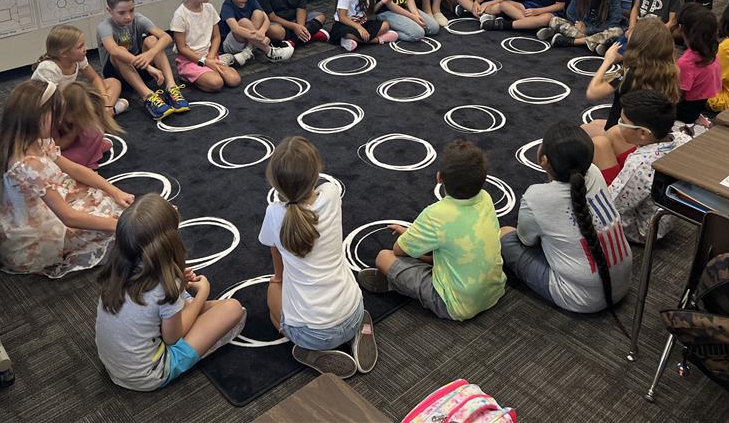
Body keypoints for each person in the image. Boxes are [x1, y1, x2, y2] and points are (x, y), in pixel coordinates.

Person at [95, 194, 246, 391]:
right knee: (234, 309)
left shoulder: (116, 269)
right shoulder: (164, 286)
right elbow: (173, 338)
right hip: (148, 374)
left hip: (115, 362)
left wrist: (180, 288)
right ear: (170, 241)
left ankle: (192, 308)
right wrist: (202, 294)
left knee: (194, 306)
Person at [0, 80, 129, 278]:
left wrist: (114, 190)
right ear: (41, 117)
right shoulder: (30, 164)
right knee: (117, 230)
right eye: (56, 116)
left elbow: (73, 168)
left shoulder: (27, 141)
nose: (59, 122)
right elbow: (68, 217)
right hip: (29, 241)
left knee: (99, 194)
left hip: (21, 218)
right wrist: (121, 225)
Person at [260, 137, 377, 377]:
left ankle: (309, 351)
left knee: (272, 290)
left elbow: (274, 251)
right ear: (316, 174)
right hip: (354, 310)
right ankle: (357, 333)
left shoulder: (274, 214)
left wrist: (279, 279)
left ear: (275, 182)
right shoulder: (332, 194)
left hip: (311, 334)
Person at [356, 140, 505, 321]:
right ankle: (400, 279)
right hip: (495, 291)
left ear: (439, 177)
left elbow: (398, 250)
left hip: (455, 305)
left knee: (384, 258)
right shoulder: (486, 198)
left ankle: (396, 284)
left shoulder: (435, 214)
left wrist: (410, 238)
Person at [499, 122, 631, 318]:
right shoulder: (594, 171)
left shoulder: (536, 197)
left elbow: (526, 241)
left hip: (582, 299)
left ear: (543, 160)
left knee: (505, 235)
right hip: (622, 282)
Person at [591, 89, 691, 243]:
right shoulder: (682, 138)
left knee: (598, 144)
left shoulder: (638, 166)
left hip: (643, 229)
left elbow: (611, 207)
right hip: (665, 211)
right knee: (611, 134)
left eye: (623, 121)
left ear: (644, 134)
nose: (619, 122)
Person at [97, 0, 190, 120]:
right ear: (109, 10)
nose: (128, 16)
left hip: (139, 67)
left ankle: (171, 87)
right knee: (120, 51)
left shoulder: (138, 18)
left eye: (131, 10)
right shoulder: (104, 27)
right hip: (117, 75)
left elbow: (166, 37)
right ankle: (148, 96)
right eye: (122, 13)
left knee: (152, 40)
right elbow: (114, 50)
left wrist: (150, 54)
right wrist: (149, 66)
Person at [584, 18, 680, 138]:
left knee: (584, 130)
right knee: (594, 124)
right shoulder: (670, 71)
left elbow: (592, 93)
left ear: (637, 44)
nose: (628, 34)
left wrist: (607, 61)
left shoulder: (631, 74)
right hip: (648, 132)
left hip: (625, 133)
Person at [171, 0, 241, 93]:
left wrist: (211, 57)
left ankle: (208, 72)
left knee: (234, 80)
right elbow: (182, 48)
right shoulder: (180, 15)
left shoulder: (209, 8)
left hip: (210, 56)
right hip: (190, 61)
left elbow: (216, 37)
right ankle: (188, 77)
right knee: (216, 83)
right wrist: (205, 61)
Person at [32, 24, 126, 114]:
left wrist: (105, 100)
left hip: (68, 100)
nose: (86, 48)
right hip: (51, 106)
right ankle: (104, 114)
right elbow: (51, 102)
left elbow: (94, 78)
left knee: (114, 83)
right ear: (63, 53)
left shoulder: (78, 59)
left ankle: (105, 112)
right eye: (80, 46)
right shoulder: (48, 68)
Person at [219, 0, 293, 66]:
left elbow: (266, 19)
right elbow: (235, 29)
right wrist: (259, 38)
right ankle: (270, 52)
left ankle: (247, 51)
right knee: (244, 22)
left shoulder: (252, 1)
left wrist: (261, 32)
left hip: (250, 40)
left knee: (259, 13)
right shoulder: (227, 5)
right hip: (231, 44)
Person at [57, 82, 122, 170]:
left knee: (63, 162)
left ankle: (97, 150)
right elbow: (58, 146)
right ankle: (98, 150)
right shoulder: (56, 118)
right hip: (69, 143)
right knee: (56, 160)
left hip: (84, 144)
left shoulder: (90, 127)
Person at [675, 4, 721, 125]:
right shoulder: (713, 54)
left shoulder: (686, 63)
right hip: (699, 105)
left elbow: (677, 96)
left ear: (680, 28)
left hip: (683, 112)